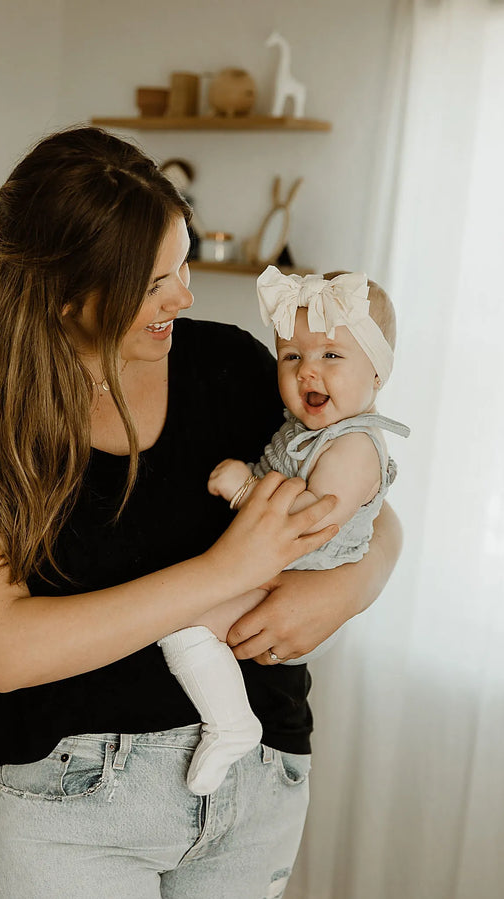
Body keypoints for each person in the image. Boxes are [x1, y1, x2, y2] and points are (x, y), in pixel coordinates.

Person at [0, 126, 403, 899]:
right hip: (75, 805)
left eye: (184, 264)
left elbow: (371, 505)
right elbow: (4, 648)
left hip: (257, 778)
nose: (185, 297)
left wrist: (345, 589)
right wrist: (223, 573)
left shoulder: (231, 365)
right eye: (152, 282)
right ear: (68, 291)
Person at [158, 267, 409, 796]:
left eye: (331, 356)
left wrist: (245, 490)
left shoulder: (353, 447)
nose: (307, 372)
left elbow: (310, 524)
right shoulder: (308, 431)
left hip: (299, 580)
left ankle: (230, 723)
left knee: (183, 627)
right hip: (280, 574)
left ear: (378, 373)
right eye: (292, 356)